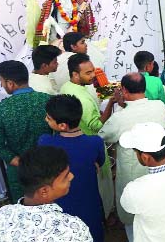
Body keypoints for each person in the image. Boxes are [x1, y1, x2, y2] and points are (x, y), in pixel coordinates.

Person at [98, 72, 165, 241]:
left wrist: (120, 106)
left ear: (124, 91)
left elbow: (103, 135)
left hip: (132, 172)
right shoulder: (159, 106)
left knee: (133, 217)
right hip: (157, 168)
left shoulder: (120, 118)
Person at [0, 146, 92, 242]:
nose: (71, 176)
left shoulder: (1, 215)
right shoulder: (73, 230)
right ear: (44, 191)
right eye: (65, 177)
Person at [38, 95, 105, 242]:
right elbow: (99, 162)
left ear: (62, 125)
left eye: (48, 118)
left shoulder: (45, 142)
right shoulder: (95, 142)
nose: (45, 120)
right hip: (89, 201)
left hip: (62, 203)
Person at [60, 53, 114, 220]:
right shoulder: (82, 97)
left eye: (93, 71)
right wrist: (112, 103)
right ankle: (105, 214)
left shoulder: (66, 87)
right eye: (88, 73)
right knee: (102, 183)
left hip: (75, 142)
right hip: (90, 141)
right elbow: (97, 125)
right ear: (75, 74)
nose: (93, 76)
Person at [0, 61, 51, 202]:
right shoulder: (48, 101)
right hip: (49, 166)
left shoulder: (0, 110)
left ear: (10, 83)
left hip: (19, 173)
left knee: (24, 208)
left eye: (2, 82)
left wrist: (20, 162)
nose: (2, 85)